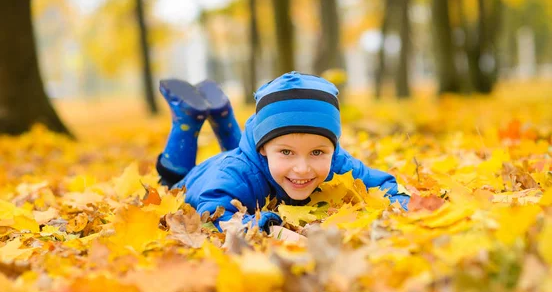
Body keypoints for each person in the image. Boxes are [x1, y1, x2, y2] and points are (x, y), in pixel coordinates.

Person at [156, 71, 409, 232]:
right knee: (170, 183)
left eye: (317, 153)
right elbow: (214, 214)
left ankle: (223, 117)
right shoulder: (234, 173)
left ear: (333, 147)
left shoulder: (338, 163)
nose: (302, 168)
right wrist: (264, 226)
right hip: (203, 176)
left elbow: (383, 185)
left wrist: (404, 205)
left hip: (247, 163)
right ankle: (186, 118)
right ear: (263, 147)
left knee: (247, 163)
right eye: (287, 152)